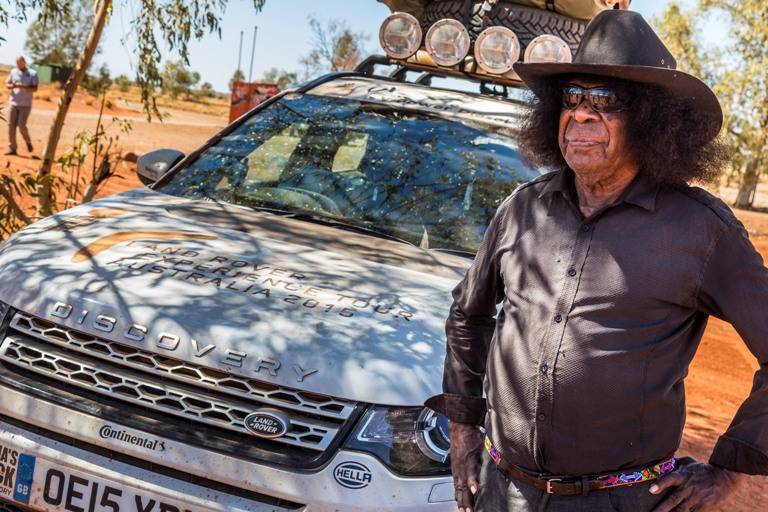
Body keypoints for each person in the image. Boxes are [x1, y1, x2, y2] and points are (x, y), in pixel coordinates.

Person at [425, 9, 767, 512]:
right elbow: (467, 315)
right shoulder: (523, 208)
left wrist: (729, 471)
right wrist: (463, 425)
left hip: (619, 501)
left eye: (605, 101)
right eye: (572, 98)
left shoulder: (700, 230)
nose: (581, 114)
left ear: (653, 123)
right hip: (503, 492)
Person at [5, 55, 38, 156]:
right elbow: (7, 84)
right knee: (11, 126)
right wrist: (12, 86)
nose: (18, 65)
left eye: (20, 63)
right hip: (13, 103)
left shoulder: (32, 73)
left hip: (25, 105)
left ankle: (28, 142)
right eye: (17, 63)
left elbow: (34, 89)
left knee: (22, 126)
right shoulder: (13, 72)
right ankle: (12, 148)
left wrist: (22, 86)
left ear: (24, 62)